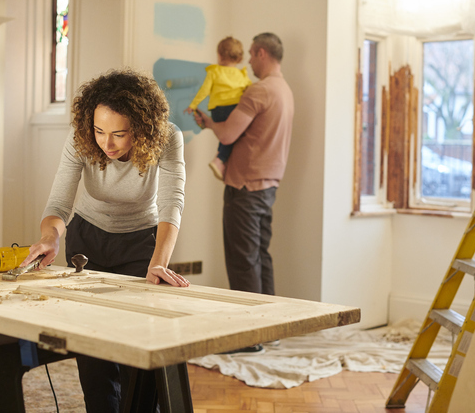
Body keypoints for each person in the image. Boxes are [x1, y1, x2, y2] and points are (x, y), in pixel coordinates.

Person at [22, 68, 189, 412]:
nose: (106, 143)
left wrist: (159, 262)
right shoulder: (80, 138)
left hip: (142, 242)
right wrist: (50, 237)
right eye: (99, 131)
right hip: (88, 240)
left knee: (138, 356)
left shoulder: (168, 138)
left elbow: (172, 203)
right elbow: (59, 204)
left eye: (118, 134)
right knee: (94, 358)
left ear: (142, 129)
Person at [194, 32, 294, 302]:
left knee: (242, 261)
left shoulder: (259, 90)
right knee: (260, 255)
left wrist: (209, 123)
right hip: (268, 185)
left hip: (245, 186)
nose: (248, 61)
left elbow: (227, 135)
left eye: (251, 54)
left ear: (262, 53)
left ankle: (250, 337)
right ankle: (268, 327)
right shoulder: (284, 90)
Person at [184, 36, 251, 181]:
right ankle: (219, 159)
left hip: (218, 111)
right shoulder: (242, 75)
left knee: (228, 136)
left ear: (219, 55)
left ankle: (221, 160)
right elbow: (250, 91)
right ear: (239, 58)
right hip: (234, 110)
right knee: (232, 135)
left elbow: (204, 90)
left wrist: (193, 105)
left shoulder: (214, 72)